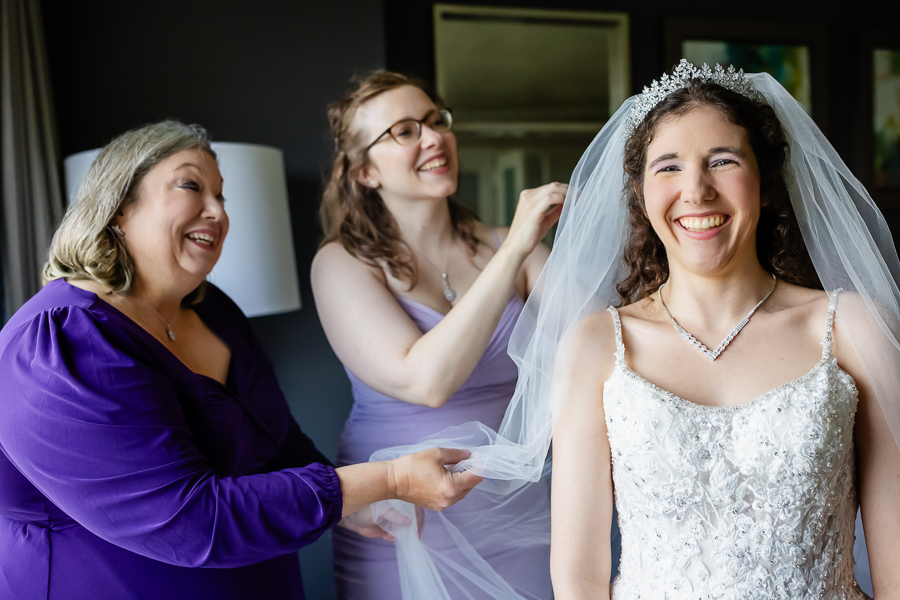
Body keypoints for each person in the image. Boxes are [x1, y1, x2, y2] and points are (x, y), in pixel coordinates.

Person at [0, 120, 481, 600]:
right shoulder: (60, 342)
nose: (217, 212)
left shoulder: (215, 309)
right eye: (191, 185)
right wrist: (389, 479)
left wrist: (352, 505)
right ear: (120, 206)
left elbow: (279, 443)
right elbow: (190, 522)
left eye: (222, 197)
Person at [549, 62, 900, 598]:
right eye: (668, 167)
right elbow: (579, 577)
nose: (696, 189)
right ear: (641, 194)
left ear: (763, 186)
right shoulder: (596, 346)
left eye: (723, 161)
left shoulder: (851, 328)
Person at [312, 70, 564, 599]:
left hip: (517, 514)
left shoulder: (504, 245)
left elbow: (602, 336)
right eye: (403, 131)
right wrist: (516, 247)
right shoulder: (341, 264)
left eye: (435, 121)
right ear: (364, 172)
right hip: (399, 520)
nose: (433, 138)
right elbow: (425, 380)